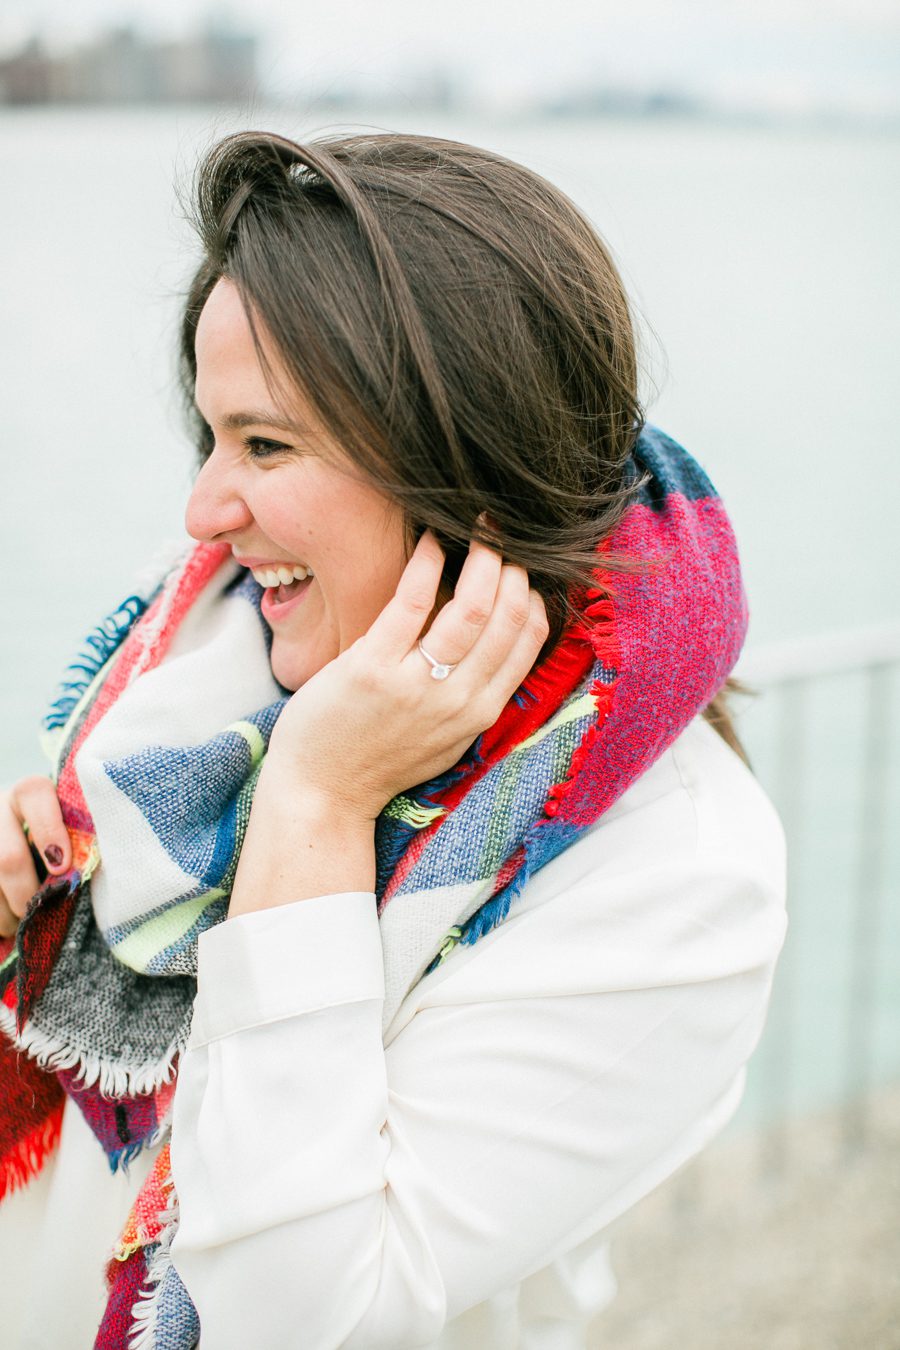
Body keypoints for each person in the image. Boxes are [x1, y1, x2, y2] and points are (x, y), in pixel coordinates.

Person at [0, 131, 785, 1349]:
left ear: (464, 464)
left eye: (266, 445)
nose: (204, 510)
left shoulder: (676, 876)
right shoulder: (196, 655)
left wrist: (316, 804)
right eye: (210, 437)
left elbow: (295, 1309)